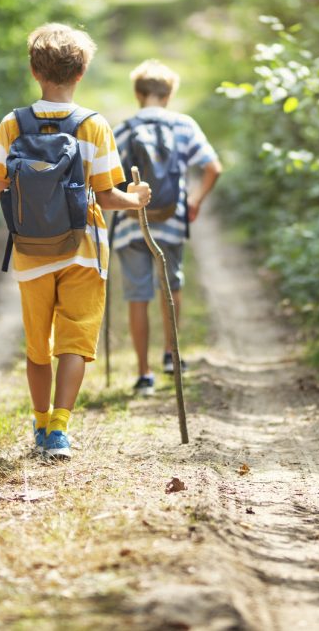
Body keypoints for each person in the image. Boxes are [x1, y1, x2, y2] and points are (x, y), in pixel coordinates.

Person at [0, 23, 150, 459]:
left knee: (38, 346)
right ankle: (59, 429)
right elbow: (108, 195)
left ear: (35, 71)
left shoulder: (11, 124)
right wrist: (136, 200)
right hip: (84, 249)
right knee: (74, 340)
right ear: (81, 73)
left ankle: (37, 425)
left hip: (30, 252)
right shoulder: (94, 126)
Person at [111, 60, 221, 397]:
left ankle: (144, 374)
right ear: (169, 94)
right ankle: (172, 356)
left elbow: (105, 177)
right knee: (171, 287)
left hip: (132, 224)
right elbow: (213, 167)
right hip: (172, 221)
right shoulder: (184, 126)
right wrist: (195, 201)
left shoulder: (125, 128)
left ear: (138, 94)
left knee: (137, 295)